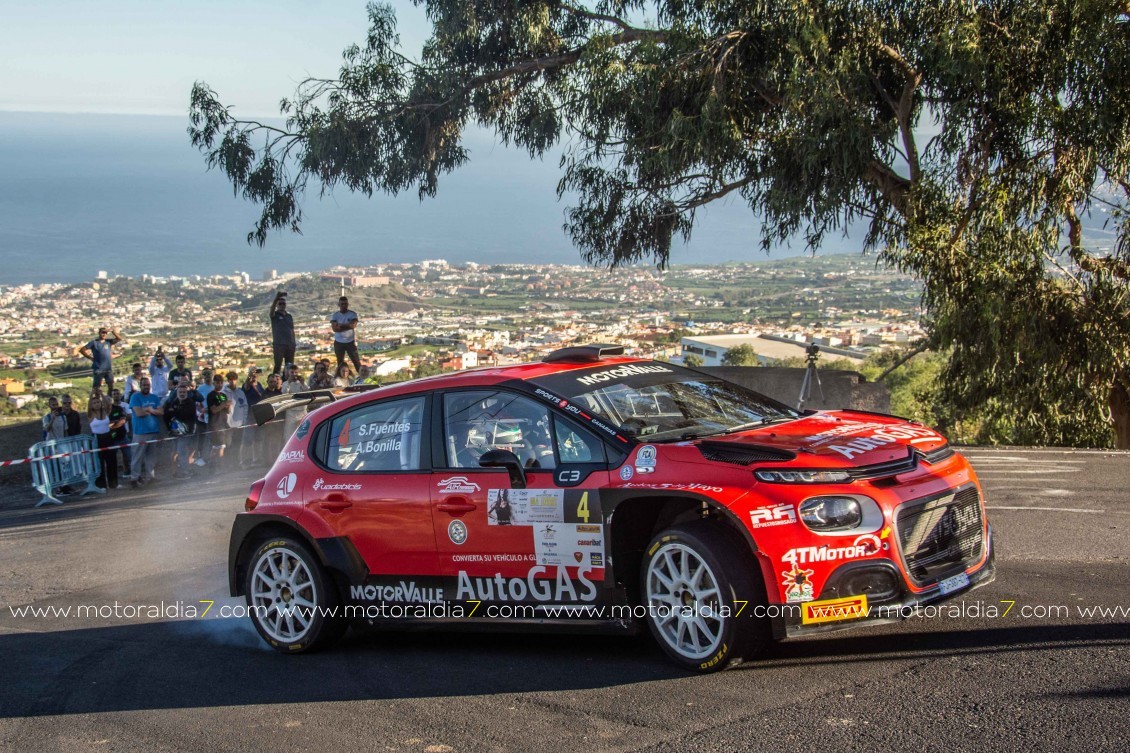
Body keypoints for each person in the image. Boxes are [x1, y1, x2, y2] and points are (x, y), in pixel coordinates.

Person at [128, 377, 163, 488]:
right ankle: (134, 478)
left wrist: (150, 410)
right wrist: (152, 411)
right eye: (144, 385)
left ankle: (150, 477)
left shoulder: (154, 397)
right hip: (140, 432)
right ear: (140, 385)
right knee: (137, 456)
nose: (146, 387)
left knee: (151, 457)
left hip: (153, 431)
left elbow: (161, 411)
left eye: (147, 385)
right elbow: (138, 413)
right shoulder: (135, 397)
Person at [164, 382, 201, 479]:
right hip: (175, 432)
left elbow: (184, 415)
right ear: (177, 392)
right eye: (180, 392)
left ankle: (186, 472)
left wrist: (174, 411)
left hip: (186, 433)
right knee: (176, 452)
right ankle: (178, 472)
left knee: (182, 452)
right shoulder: (173, 402)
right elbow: (167, 414)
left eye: (184, 392)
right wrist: (169, 428)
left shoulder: (190, 403)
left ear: (186, 392)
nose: (182, 393)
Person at [87, 388, 116, 489]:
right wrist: (91, 395)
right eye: (94, 403)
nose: (96, 404)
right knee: (99, 463)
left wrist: (101, 394)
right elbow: (88, 406)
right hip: (97, 439)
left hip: (107, 437)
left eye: (98, 402)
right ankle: (101, 484)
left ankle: (113, 483)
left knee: (111, 461)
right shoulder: (91, 414)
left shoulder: (105, 411)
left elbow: (108, 404)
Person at [207, 373, 232, 470]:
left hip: (224, 423)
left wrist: (228, 406)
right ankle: (220, 467)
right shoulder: (211, 395)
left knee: (219, 447)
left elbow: (228, 411)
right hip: (215, 424)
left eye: (221, 383)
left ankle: (210, 463)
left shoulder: (223, 395)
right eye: (217, 383)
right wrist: (223, 404)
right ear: (214, 383)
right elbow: (213, 410)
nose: (220, 385)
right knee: (220, 446)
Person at [330, 296, 361, 371]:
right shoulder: (335, 315)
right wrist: (348, 325)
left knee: (356, 361)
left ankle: (362, 377)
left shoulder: (352, 314)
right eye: (342, 304)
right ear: (339, 305)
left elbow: (353, 325)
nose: (344, 305)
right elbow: (335, 329)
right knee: (340, 362)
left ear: (348, 304)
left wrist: (341, 326)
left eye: (345, 304)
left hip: (350, 342)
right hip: (338, 342)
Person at [269, 292, 296, 376]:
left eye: (283, 303)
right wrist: (276, 298)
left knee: (289, 366)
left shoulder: (289, 316)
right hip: (279, 344)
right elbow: (271, 311)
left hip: (290, 344)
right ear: (277, 305)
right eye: (280, 304)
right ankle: (276, 382)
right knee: (278, 366)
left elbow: (292, 329)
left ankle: (287, 381)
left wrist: (294, 343)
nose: (282, 305)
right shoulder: (275, 315)